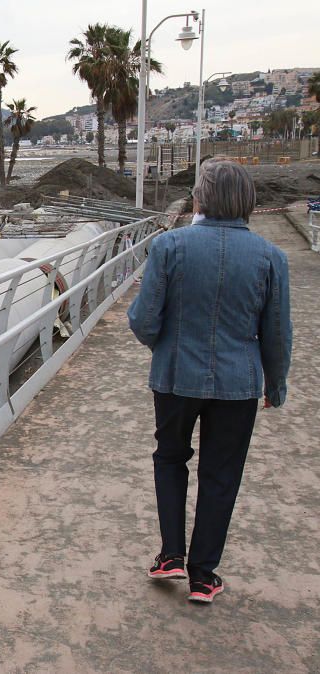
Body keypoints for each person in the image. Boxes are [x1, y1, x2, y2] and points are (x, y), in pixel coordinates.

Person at [127, 159, 292, 604]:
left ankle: (171, 556)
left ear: (201, 197)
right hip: (238, 384)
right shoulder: (271, 257)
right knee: (221, 474)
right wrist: (275, 385)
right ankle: (203, 576)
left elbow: (144, 320)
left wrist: (166, 347)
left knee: (170, 458)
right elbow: (277, 331)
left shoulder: (169, 247)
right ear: (247, 202)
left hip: (175, 378)